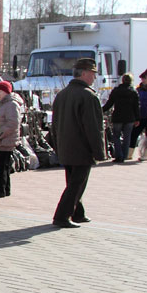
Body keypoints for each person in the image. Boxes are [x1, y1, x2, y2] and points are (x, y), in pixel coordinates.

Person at [51, 58, 106, 228]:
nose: (94, 78)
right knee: (77, 184)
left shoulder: (62, 94)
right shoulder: (88, 96)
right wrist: (99, 151)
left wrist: (57, 146)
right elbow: (93, 127)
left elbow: (54, 125)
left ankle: (78, 212)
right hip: (81, 148)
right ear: (84, 74)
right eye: (92, 74)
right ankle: (62, 215)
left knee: (73, 182)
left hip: (66, 147)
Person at [0, 81, 21, 198]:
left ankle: (0, 190)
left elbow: (13, 123)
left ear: (6, 92)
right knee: (3, 166)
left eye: (0, 92)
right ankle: (5, 189)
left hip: (5, 140)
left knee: (1, 166)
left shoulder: (11, 104)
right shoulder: (2, 103)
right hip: (2, 140)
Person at [102, 73, 140, 163]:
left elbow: (109, 104)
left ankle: (119, 156)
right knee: (127, 137)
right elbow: (136, 107)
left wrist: (100, 110)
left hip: (118, 117)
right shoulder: (133, 92)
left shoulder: (116, 91)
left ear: (122, 80)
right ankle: (125, 155)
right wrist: (138, 118)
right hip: (130, 118)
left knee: (116, 136)